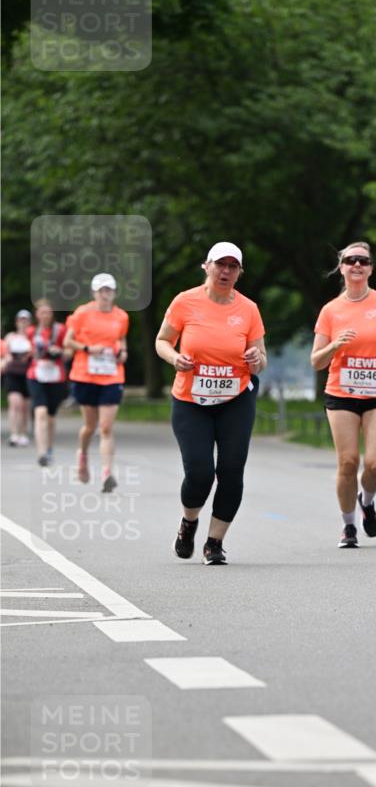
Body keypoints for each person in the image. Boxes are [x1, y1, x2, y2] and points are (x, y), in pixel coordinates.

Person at [155, 242, 266, 566]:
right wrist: (175, 358)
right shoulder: (185, 302)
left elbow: (261, 359)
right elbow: (162, 341)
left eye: (233, 267)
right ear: (207, 266)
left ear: (239, 273)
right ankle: (189, 523)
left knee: (231, 470)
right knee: (200, 472)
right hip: (191, 400)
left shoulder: (249, 309)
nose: (226, 271)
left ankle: (214, 542)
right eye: (221, 265)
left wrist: (256, 359)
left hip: (235, 399)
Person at [311, 241, 376, 548]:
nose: (357, 265)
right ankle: (349, 526)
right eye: (351, 260)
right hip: (341, 392)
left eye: (363, 261)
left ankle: (366, 501)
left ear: (370, 268)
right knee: (348, 462)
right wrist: (335, 344)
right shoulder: (331, 310)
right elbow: (317, 361)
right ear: (341, 267)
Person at [64, 273, 129, 492]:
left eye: (108, 290)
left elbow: (120, 338)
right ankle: (82, 455)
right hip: (85, 375)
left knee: (106, 427)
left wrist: (123, 352)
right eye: (101, 290)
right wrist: (87, 348)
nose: (105, 294)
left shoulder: (121, 316)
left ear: (114, 293)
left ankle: (106, 473)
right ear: (94, 293)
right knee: (90, 426)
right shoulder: (82, 313)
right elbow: (67, 341)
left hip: (112, 375)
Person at [26, 299, 68, 466]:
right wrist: (32, 352)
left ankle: (49, 449)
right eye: (42, 312)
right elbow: (25, 353)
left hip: (56, 376)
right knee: (40, 412)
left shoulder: (61, 330)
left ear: (52, 314)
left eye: (48, 312)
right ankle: (41, 453)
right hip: (36, 375)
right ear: (37, 314)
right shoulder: (31, 332)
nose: (45, 316)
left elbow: (69, 351)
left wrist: (59, 351)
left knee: (50, 416)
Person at [2, 309, 33, 446]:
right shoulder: (11, 337)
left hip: (28, 373)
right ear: (16, 322)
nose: (23, 323)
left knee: (25, 406)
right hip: (13, 373)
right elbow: (5, 353)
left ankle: (23, 433)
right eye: (21, 320)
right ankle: (14, 434)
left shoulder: (32, 337)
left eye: (25, 320)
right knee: (15, 403)